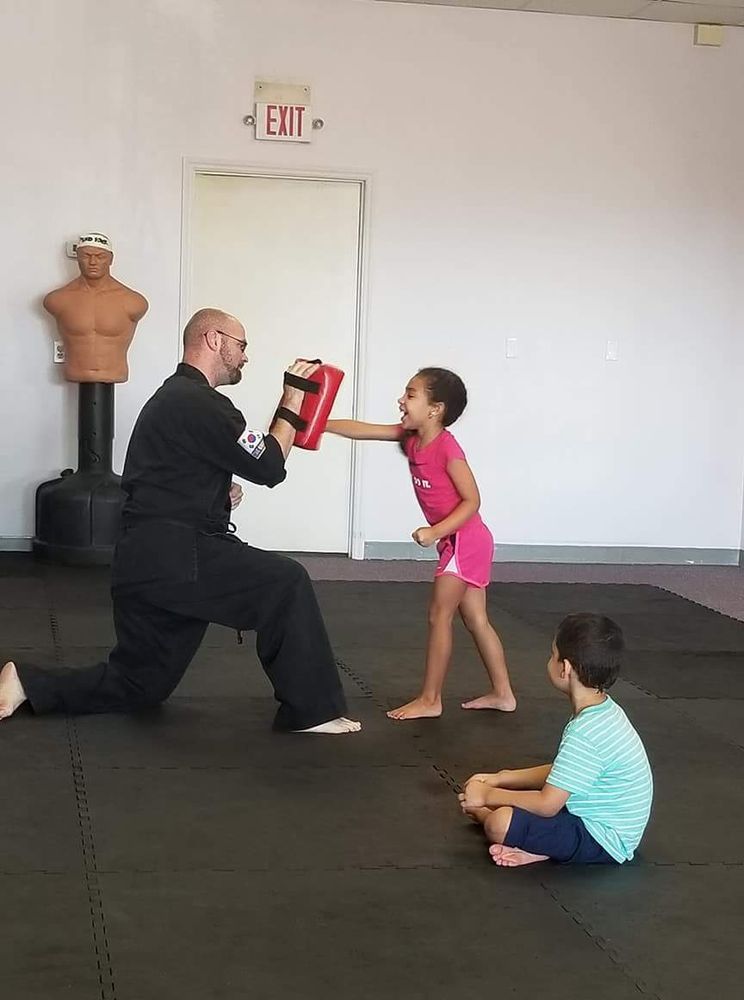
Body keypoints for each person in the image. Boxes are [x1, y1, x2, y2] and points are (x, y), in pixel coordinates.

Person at [0, 308, 360, 735]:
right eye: (241, 346)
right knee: (286, 582)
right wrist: (294, 397)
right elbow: (268, 465)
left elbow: (165, 478)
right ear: (212, 339)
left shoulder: (173, 401)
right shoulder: (201, 402)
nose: (245, 357)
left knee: (138, 685)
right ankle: (312, 711)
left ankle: (26, 683)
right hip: (178, 557)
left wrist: (216, 493)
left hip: (144, 562)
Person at [326, 367, 515, 721]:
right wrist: (321, 423)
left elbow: (472, 501)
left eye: (411, 394)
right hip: (461, 542)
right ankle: (504, 694)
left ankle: (431, 699)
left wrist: (434, 531)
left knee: (438, 614)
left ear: (435, 409)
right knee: (475, 618)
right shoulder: (411, 437)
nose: (401, 399)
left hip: (465, 540)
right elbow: (365, 430)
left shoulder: (447, 448)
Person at [459, 614, 653, 867]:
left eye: (552, 654)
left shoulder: (587, 731)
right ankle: (543, 846)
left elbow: (547, 804)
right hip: (591, 816)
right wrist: (501, 777)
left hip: (604, 839)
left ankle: (539, 845)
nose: (549, 660)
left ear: (566, 668)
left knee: (499, 823)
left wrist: (487, 798)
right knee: (512, 808)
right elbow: (564, 774)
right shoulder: (604, 711)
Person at [43, 232, 149, 383]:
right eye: (86, 256)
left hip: (115, 373)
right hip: (74, 372)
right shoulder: (58, 300)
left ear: (111, 259)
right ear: (78, 257)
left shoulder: (133, 301)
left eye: (100, 256)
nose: (93, 262)